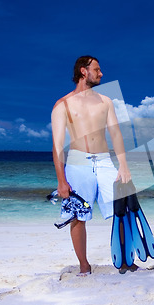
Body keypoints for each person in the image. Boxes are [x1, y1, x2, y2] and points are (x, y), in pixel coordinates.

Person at [51, 55, 132, 275]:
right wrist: (61, 181)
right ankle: (84, 265)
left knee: (120, 210)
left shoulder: (106, 101)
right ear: (83, 71)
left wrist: (123, 165)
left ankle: (124, 259)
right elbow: (57, 147)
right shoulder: (63, 104)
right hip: (78, 163)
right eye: (97, 69)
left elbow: (116, 133)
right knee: (78, 217)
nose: (101, 73)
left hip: (105, 161)